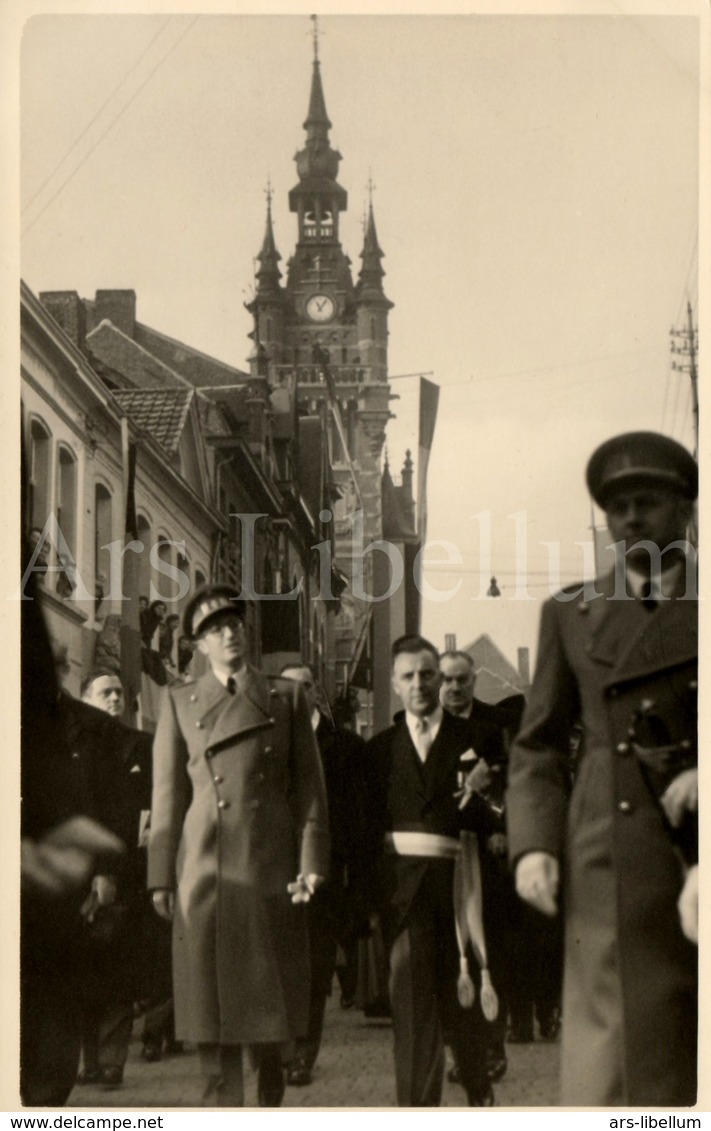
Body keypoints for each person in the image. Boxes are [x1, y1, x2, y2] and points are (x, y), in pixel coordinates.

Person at [506, 431, 698, 1106]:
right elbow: (536, 745)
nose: (633, 519)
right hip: (603, 853)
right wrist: (532, 844)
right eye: (618, 508)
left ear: (685, 511)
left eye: (648, 502)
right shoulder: (570, 614)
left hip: (693, 852)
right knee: (608, 1053)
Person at [147, 585, 329, 1107]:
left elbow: (310, 791)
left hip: (271, 868)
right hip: (205, 874)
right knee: (212, 1017)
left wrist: (312, 862)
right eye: (213, 630)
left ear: (246, 631)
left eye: (233, 624)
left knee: (270, 1022)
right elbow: (167, 796)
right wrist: (160, 876)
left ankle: (269, 1092)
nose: (228, 634)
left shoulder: (285, 697)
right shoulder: (179, 702)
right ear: (199, 645)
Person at [364, 635, 502, 1107]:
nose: (420, 684)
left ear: (440, 680)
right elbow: (367, 829)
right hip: (404, 897)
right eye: (409, 676)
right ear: (395, 683)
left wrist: (487, 795)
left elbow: (501, 815)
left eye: (428, 674)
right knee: (413, 1012)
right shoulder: (379, 751)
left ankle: (479, 1091)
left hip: (463, 893)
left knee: (465, 1013)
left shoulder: (478, 742)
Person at [280, 663, 370, 1087]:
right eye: (288, 688)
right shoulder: (268, 742)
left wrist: (351, 880)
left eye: (305, 686)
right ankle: (282, 1048)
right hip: (276, 872)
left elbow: (356, 819)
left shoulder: (346, 747)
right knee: (280, 965)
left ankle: (302, 1054)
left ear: (316, 692)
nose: (297, 695)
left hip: (325, 875)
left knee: (315, 969)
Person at [73, 669, 153, 1090]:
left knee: (117, 967)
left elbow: (153, 808)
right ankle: (87, 1059)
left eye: (120, 693)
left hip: (125, 872)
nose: (115, 699)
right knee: (80, 970)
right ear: (84, 698)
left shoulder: (140, 747)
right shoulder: (66, 747)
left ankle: (111, 1061)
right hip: (72, 873)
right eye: (106, 693)